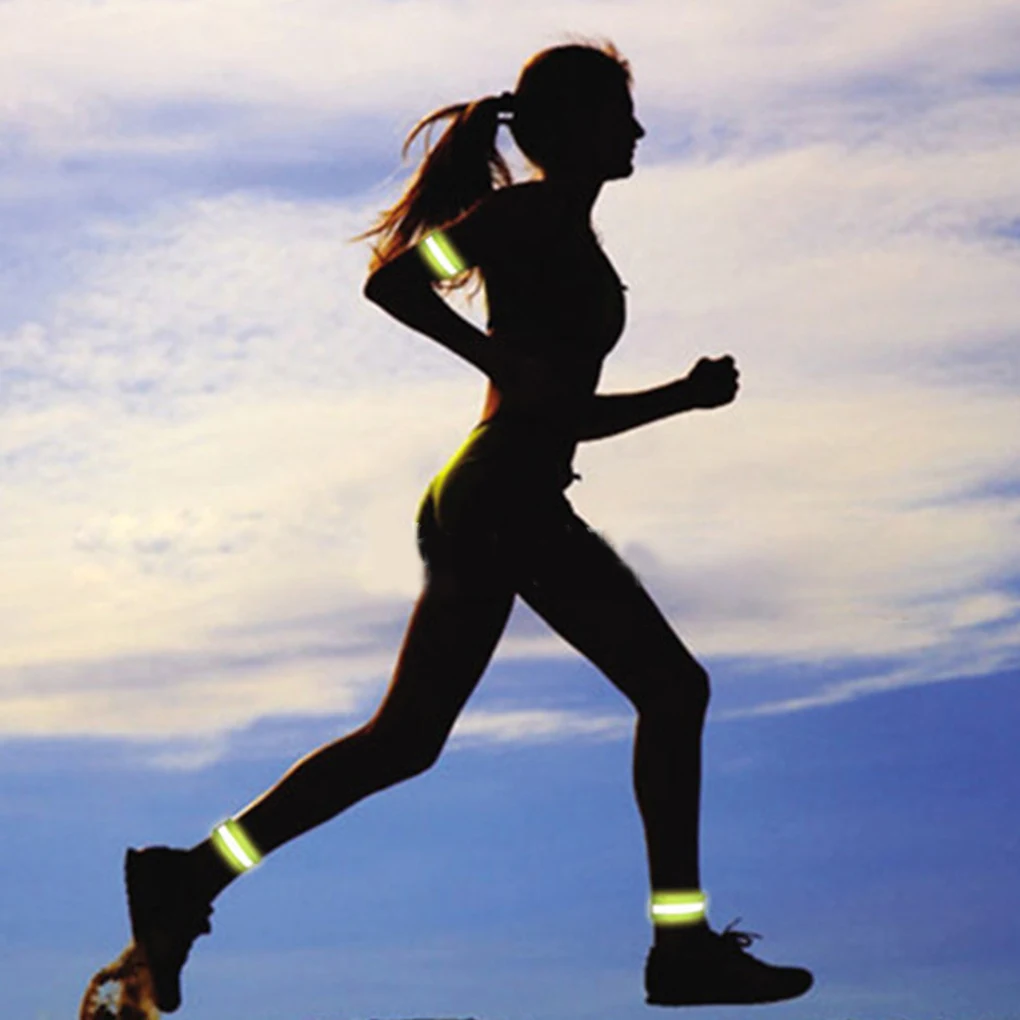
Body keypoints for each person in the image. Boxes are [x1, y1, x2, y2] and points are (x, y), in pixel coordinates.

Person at [120, 39, 813, 1013]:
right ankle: (680, 945)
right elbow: (399, 281)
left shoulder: (560, 231)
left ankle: (192, 873)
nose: (639, 131)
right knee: (672, 688)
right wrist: (491, 354)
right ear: (575, 126)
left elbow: (559, 409)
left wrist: (678, 398)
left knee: (404, 741)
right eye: (621, 114)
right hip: (502, 498)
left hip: (501, 494)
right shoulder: (520, 217)